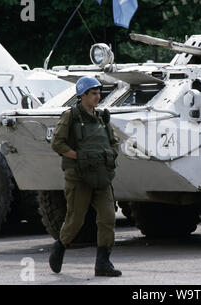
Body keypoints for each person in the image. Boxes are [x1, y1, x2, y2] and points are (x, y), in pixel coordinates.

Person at [49, 76, 121, 277]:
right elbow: (57, 144)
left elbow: (114, 142)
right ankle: (60, 246)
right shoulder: (70, 116)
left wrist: (110, 155)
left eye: (99, 93)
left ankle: (103, 263)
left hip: (101, 176)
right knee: (76, 220)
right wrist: (79, 157)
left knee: (107, 217)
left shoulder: (101, 117)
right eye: (93, 94)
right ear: (82, 96)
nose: (98, 97)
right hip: (78, 177)